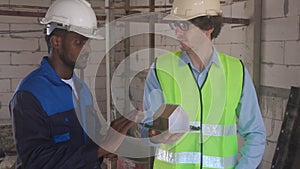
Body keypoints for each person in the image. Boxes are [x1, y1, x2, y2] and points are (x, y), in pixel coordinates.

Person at [9, 0, 138, 168]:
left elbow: (90, 143)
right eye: (79, 41)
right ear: (56, 42)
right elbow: (36, 161)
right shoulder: (30, 94)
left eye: (89, 42)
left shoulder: (82, 89)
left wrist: (114, 141)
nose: (88, 49)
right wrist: (99, 149)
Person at [141, 0, 266, 168]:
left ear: (209, 26)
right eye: (174, 25)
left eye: (184, 26)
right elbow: (146, 128)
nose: (177, 32)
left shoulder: (236, 71)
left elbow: (255, 133)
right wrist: (155, 135)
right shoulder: (161, 69)